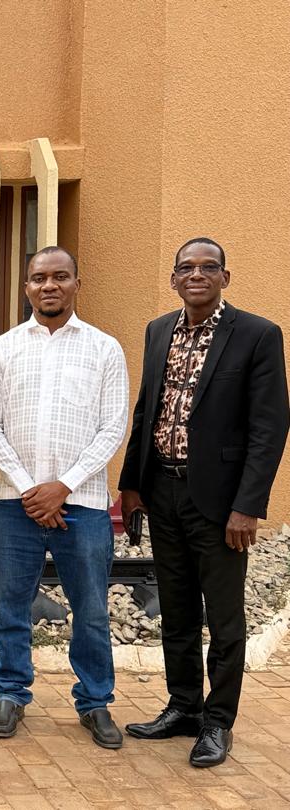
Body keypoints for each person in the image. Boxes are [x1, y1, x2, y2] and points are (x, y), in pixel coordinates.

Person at [120, 237, 289, 767]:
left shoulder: (258, 334)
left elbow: (269, 427)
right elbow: (147, 410)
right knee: (176, 609)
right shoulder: (158, 330)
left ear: (225, 277)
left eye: (208, 267)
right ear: (173, 279)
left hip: (220, 502)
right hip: (163, 491)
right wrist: (131, 486)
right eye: (186, 268)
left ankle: (218, 722)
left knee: (224, 616)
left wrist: (248, 506)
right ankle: (183, 706)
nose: (197, 275)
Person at [0, 246, 130, 749]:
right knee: (10, 607)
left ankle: (95, 701)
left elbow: (113, 427)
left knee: (90, 611)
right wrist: (31, 489)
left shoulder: (104, 349)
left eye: (60, 277)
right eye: (39, 277)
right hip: (15, 503)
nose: (49, 285)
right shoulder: (2, 349)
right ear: (26, 286)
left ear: (76, 284)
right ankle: (10, 693)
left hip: (82, 503)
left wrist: (62, 486)